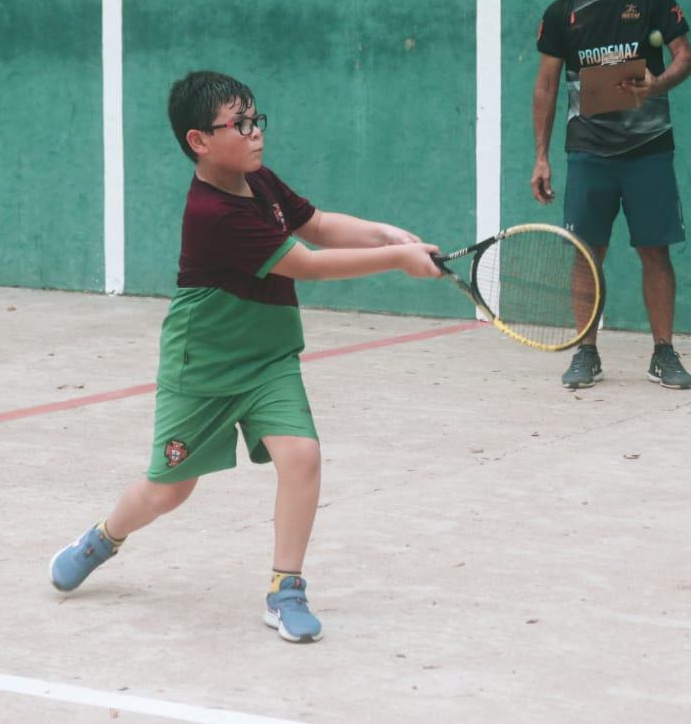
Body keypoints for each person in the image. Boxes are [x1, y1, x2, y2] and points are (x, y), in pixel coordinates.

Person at [49, 70, 442, 643]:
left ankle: (286, 590)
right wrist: (397, 261)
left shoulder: (259, 183)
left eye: (256, 119)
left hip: (269, 358)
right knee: (170, 490)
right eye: (239, 124)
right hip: (203, 366)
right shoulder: (211, 212)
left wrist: (385, 234)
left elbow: (321, 226)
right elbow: (305, 263)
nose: (255, 133)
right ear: (199, 142)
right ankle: (103, 539)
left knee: (302, 456)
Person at [531, 0, 691, 390]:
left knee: (655, 251)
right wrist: (540, 156)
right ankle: (586, 351)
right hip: (588, 152)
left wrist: (658, 82)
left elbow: (685, 58)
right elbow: (545, 87)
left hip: (649, 150)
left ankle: (663, 352)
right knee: (586, 254)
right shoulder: (562, 13)